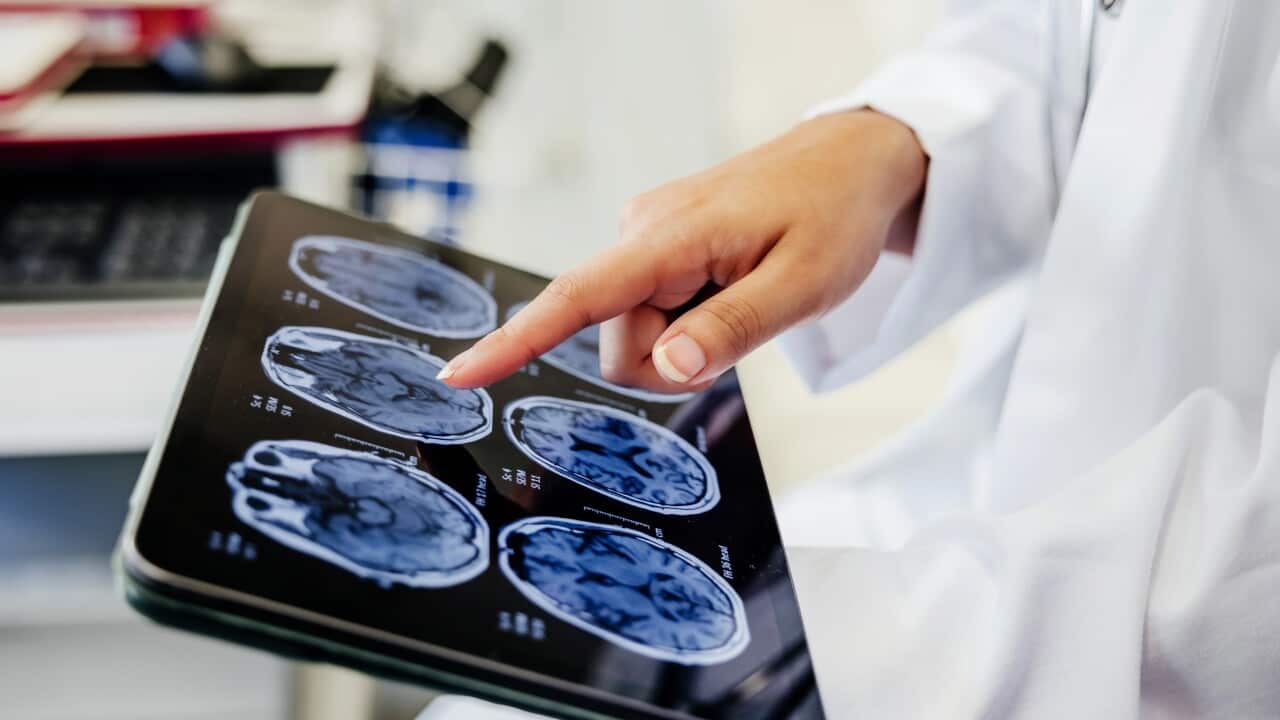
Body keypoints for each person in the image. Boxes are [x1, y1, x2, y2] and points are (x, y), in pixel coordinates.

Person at [439, 0, 1280, 716]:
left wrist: (765, 639)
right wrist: (895, 141)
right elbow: (1109, 43)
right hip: (1003, 480)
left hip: (1149, 613)